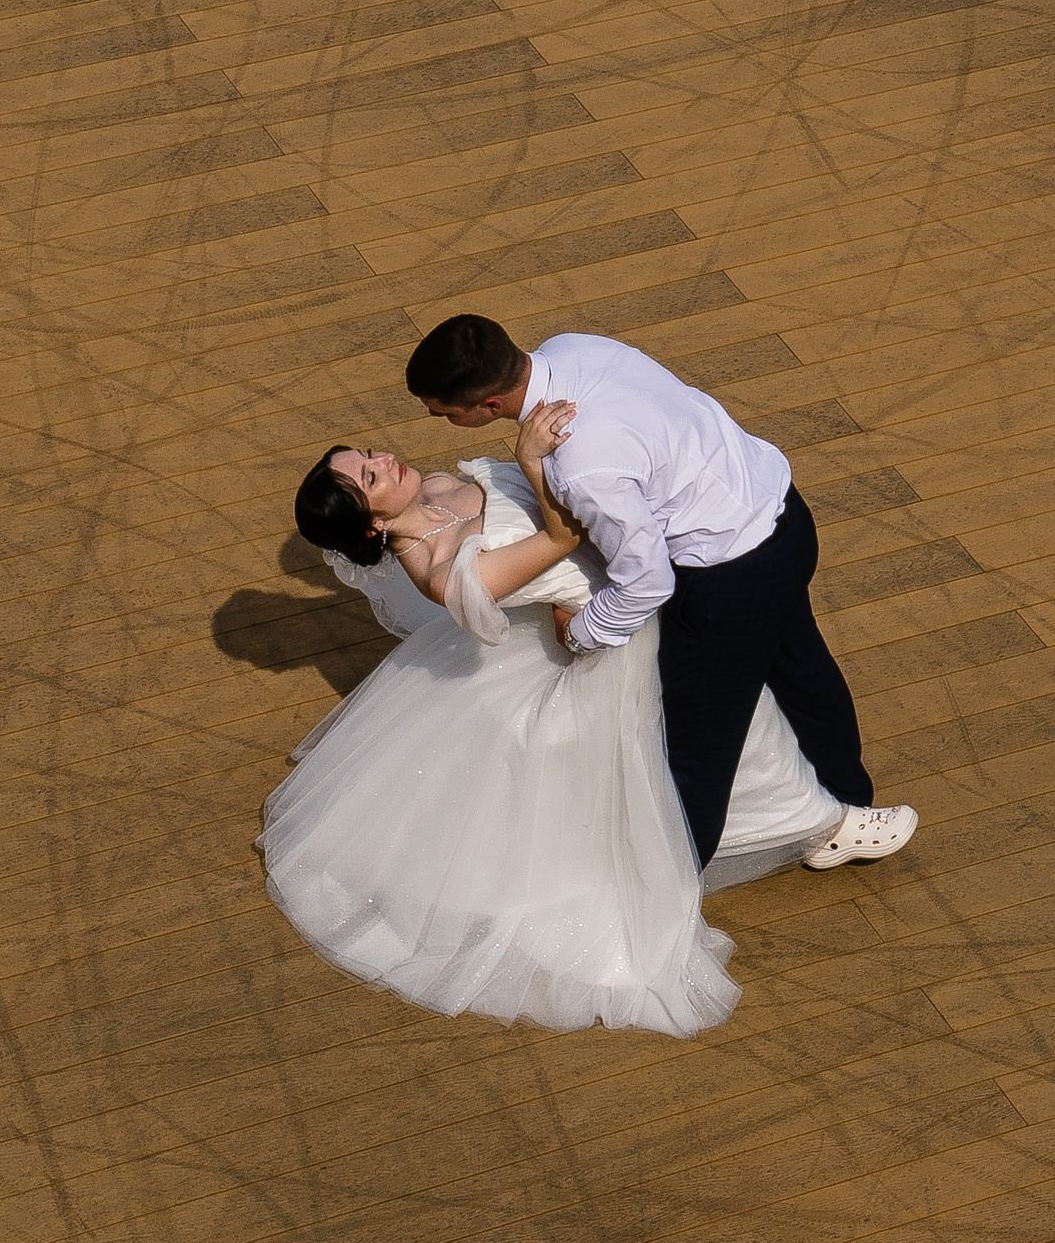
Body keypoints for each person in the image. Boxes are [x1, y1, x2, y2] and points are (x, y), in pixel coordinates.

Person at [264, 401, 848, 1037]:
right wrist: (530, 458)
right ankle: (819, 821)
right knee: (709, 726)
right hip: (608, 635)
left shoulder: (434, 487)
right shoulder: (441, 572)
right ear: (374, 524)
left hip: (610, 600)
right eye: (371, 476)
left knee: (733, 706)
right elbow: (561, 539)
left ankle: (814, 809)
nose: (385, 459)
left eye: (369, 455)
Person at [406, 314, 915, 872]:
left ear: (490, 405)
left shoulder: (581, 464)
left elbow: (648, 582)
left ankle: (666, 893)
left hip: (729, 581)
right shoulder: (576, 346)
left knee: (698, 751)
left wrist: (580, 635)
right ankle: (846, 803)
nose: (440, 420)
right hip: (782, 516)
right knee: (803, 669)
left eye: (445, 413)